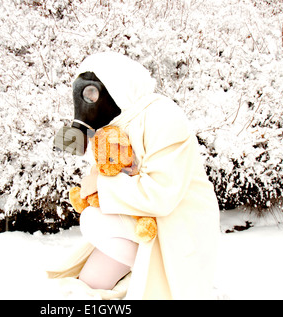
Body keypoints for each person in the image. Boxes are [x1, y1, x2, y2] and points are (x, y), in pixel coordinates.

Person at [49, 52, 220, 300]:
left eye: (92, 93)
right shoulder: (117, 124)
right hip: (140, 221)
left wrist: (100, 184)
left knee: (96, 220)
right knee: (86, 282)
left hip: (177, 225)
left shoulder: (162, 116)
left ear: (118, 86)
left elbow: (161, 194)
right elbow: (109, 170)